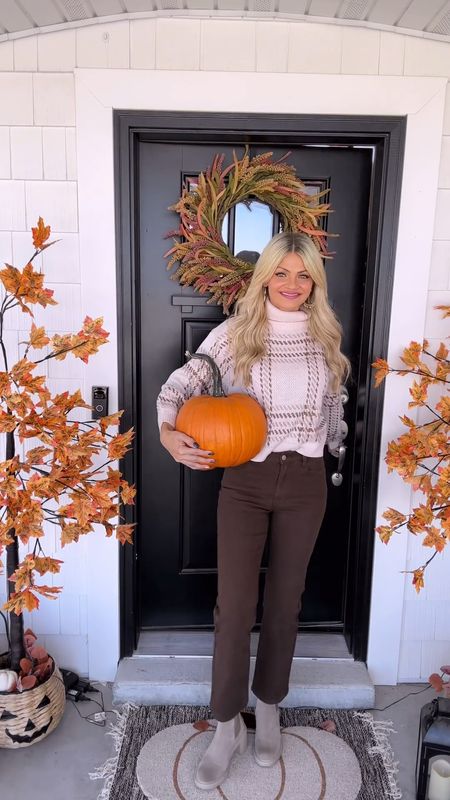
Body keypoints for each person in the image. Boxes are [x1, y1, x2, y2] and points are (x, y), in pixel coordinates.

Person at [156, 230, 350, 791]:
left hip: (306, 481)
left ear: (314, 282)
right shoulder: (235, 334)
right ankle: (225, 725)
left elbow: (334, 411)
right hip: (245, 481)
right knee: (234, 607)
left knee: (286, 602)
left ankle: (268, 708)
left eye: (303, 274)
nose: (291, 284)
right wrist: (171, 438)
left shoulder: (324, 337)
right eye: (281, 273)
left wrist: (331, 442)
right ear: (264, 277)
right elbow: (175, 390)